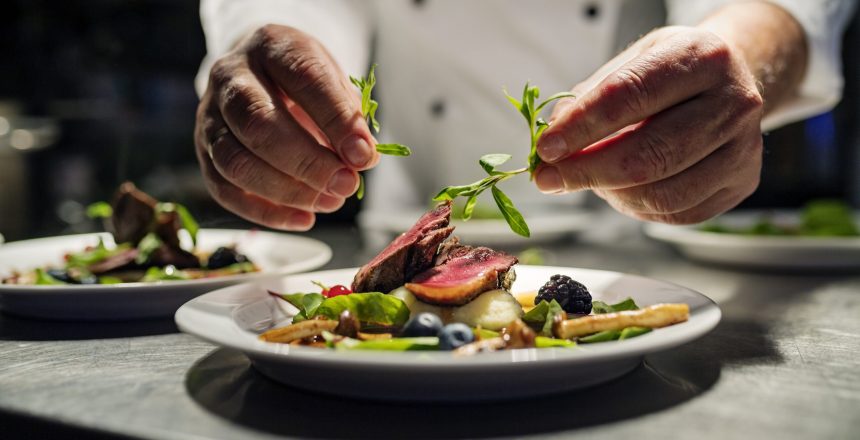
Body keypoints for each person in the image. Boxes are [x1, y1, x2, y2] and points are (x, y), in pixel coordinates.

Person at [193, 0, 855, 231]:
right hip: (400, 223)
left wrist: (737, 52)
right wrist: (275, 68)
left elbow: (779, 7)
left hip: (633, 244)